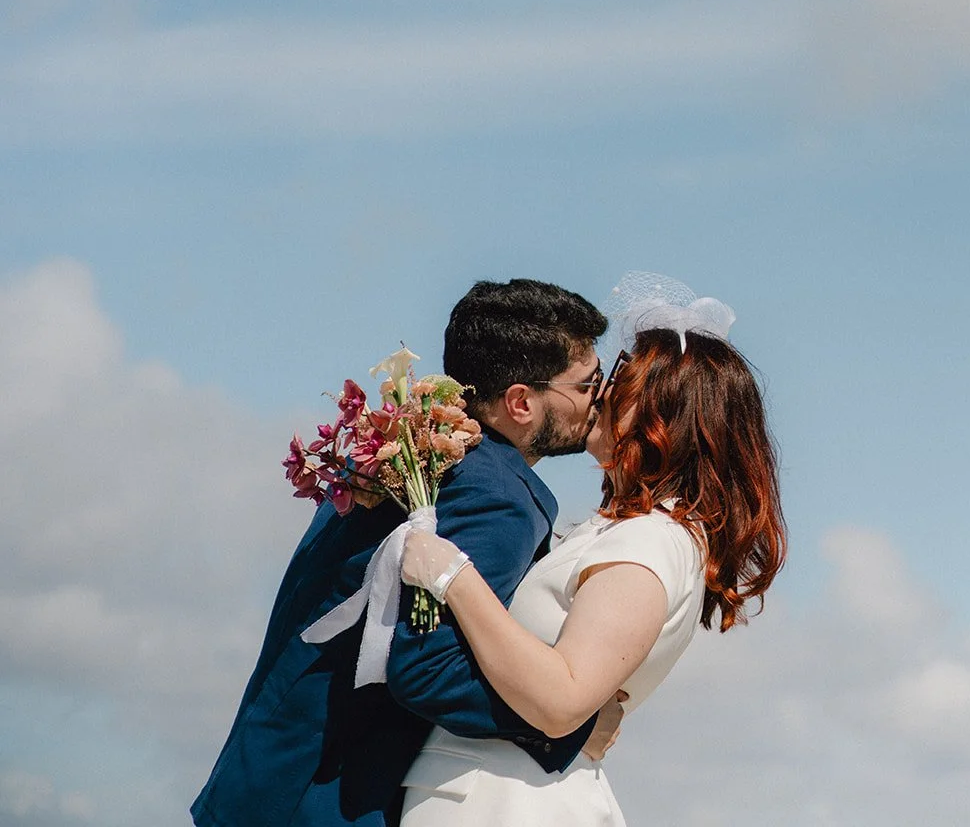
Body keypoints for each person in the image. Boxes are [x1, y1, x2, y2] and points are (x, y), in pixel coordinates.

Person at [191, 278, 608, 827]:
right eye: (587, 384)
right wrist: (566, 721)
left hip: (261, 782)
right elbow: (428, 667)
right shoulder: (499, 498)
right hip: (327, 804)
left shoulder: (399, 453)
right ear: (521, 402)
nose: (600, 398)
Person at [398, 281, 787, 826]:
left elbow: (562, 698)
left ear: (663, 420)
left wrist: (452, 576)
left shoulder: (651, 540)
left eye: (621, 387)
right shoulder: (624, 530)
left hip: (513, 803)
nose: (601, 395)